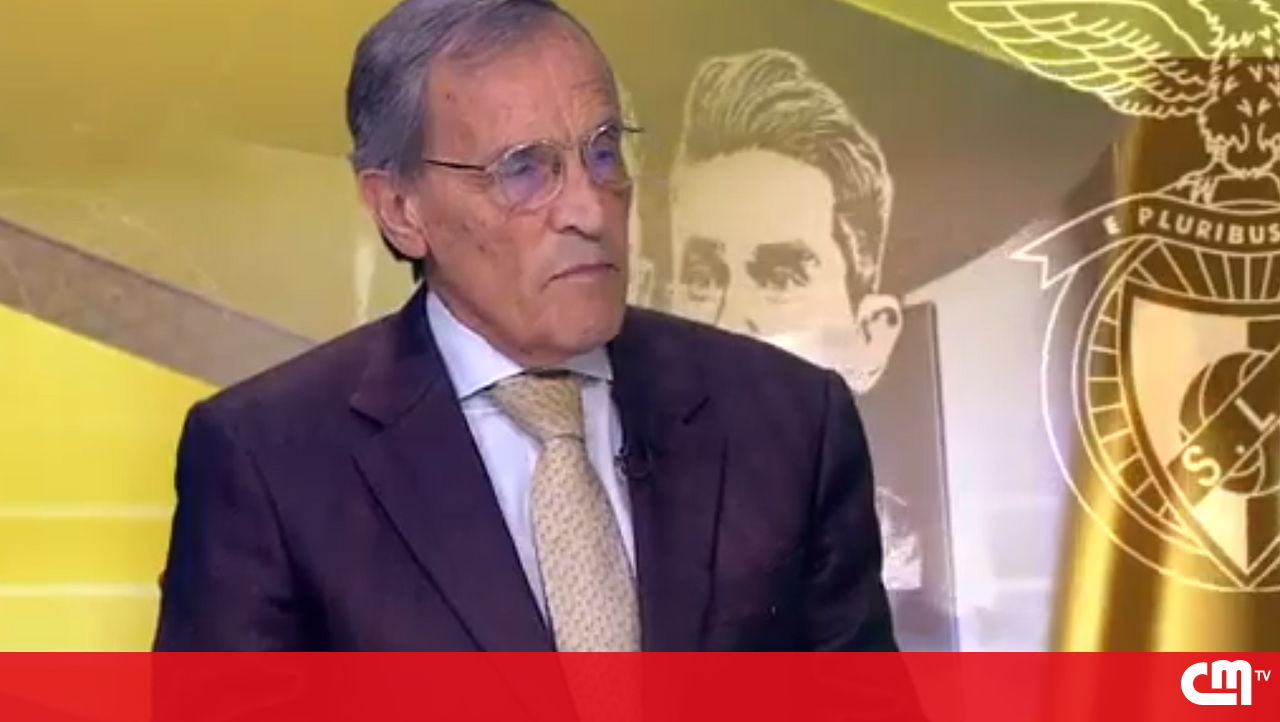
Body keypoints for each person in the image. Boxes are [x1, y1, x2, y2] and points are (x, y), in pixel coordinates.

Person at [153, 0, 898, 654]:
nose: (588, 208)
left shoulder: (789, 423)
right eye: (525, 170)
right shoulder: (269, 464)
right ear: (399, 209)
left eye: (603, 152)